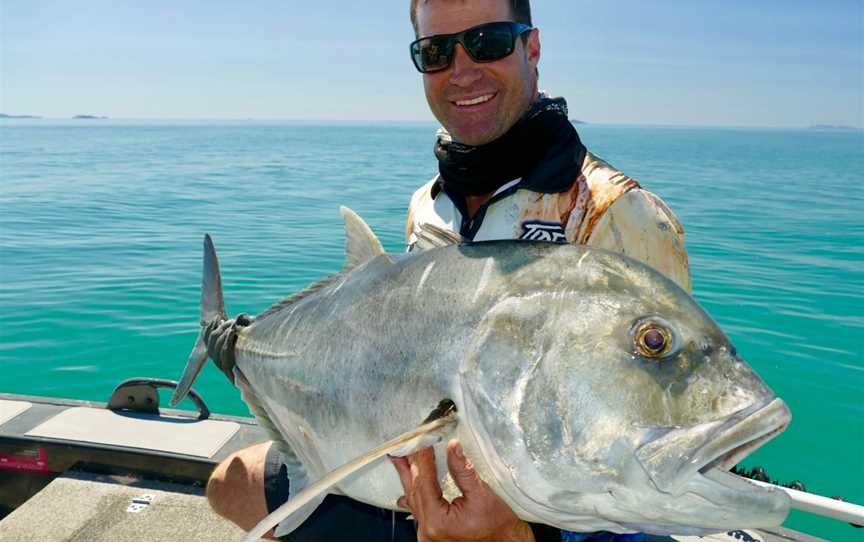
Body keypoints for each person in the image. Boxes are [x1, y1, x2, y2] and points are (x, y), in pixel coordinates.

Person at [206, 0, 691, 540]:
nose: (462, 71)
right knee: (231, 480)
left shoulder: (619, 214)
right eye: (436, 52)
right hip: (422, 484)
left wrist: (513, 533)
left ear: (531, 48)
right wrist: (256, 358)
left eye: (489, 42)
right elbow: (392, 351)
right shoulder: (429, 207)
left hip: (567, 520)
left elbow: (651, 435)